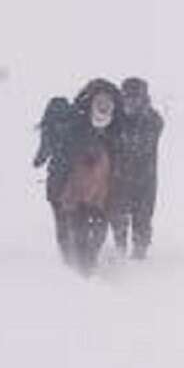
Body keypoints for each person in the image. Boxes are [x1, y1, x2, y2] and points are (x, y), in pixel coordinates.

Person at [57, 79, 122, 273]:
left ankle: (86, 267)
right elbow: (65, 163)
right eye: (100, 105)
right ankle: (79, 270)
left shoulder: (115, 130)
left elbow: (119, 163)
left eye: (107, 106)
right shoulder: (78, 126)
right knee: (79, 233)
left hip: (101, 196)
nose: (103, 109)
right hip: (78, 196)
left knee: (97, 234)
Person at [109, 77, 164, 259]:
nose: (130, 101)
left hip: (144, 179)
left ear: (143, 97)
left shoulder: (153, 120)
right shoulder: (115, 118)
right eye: (127, 97)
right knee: (118, 218)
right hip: (118, 178)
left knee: (142, 219)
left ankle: (140, 256)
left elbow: (141, 145)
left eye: (135, 97)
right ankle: (120, 253)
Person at [32, 96, 77, 260]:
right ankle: (81, 250)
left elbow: (42, 156)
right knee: (78, 216)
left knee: (61, 219)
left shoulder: (50, 127)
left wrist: (37, 161)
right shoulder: (77, 125)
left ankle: (66, 254)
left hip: (57, 177)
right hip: (77, 177)